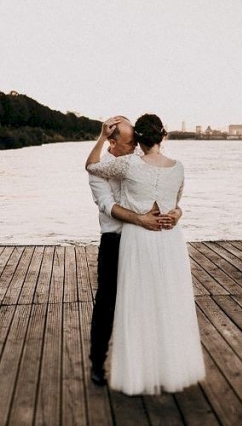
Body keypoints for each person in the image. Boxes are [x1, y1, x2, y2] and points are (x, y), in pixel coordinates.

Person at [85, 113, 205, 395]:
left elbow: (172, 201)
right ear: (113, 141)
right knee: (107, 303)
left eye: (137, 141)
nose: (135, 147)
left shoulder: (134, 163)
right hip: (116, 240)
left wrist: (175, 213)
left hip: (142, 241)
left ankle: (151, 364)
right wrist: (140, 219)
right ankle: (98, 363)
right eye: (130, 142)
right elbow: (107, 206)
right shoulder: (106, 168)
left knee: (145, 302)